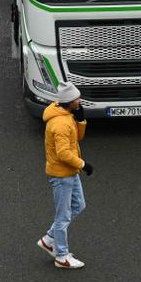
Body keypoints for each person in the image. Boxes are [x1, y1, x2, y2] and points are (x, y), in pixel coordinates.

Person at [37, 84, 93, 269]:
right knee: (63, 217)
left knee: (79, 205)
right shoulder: (60, 124)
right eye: (77, 98)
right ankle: (62, 257)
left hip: (70, 172)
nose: (80, 100)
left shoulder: (66, 115)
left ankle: (49, 240)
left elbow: (76, 139)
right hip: (62, 175)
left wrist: (81, 121)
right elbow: (63, 153)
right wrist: (83, 164)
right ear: (69, 101)